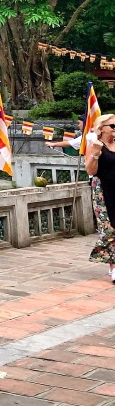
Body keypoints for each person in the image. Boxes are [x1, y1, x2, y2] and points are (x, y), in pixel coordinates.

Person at [83, 113, 115, 284]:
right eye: (113, 126)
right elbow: (90, 171)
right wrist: (95, 153)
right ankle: (113, 267)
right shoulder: (96, 145)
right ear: (101, 128)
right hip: (104, 191)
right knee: (109, 229)